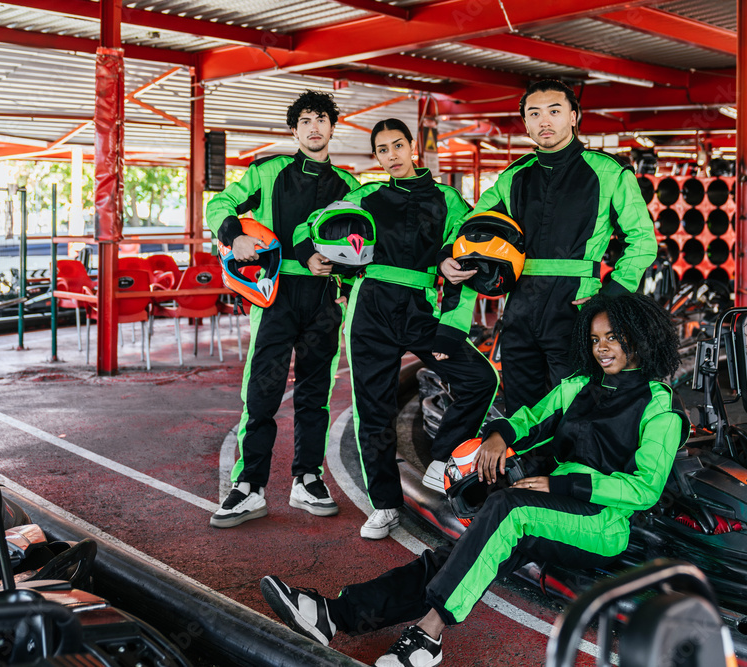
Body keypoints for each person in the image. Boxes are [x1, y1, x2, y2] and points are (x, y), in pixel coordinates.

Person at [260, 292, 685, 667]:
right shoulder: (579, 386)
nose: (601, 349)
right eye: (594, 340)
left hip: (602, 523)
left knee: (506, 509)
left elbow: (644, 490)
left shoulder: (660, 408)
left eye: (612, 337)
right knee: (458, 554)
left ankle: (428, 635)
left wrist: (561, 486)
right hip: (551, 506)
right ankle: (334, 615)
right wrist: (498, 435)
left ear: (638, 336)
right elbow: (532, 418)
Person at [311, 118, 498, 540]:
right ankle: (384, 505)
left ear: (413, 146)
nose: (391, 155)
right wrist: (317, 254)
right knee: (373, 411)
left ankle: (441, 458)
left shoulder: (448, 199)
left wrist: (453, 322)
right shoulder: (365, 195)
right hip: (369, 309)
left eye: (398, 146)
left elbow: (466, 258)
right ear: (375, 155)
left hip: (421, 309)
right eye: (382, 149)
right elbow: (316, 227)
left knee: (480, 378)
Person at [207, 90, 359, 529]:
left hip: (324, 301)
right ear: (294, 130)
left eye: (322, 120)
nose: (315, 127)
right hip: (274, 296)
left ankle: (307, 479)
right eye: (306, 121)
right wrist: (234, 236)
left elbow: (361, 246)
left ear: (333, 127)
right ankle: (249, 486)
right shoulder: (268, 171)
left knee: (316, 396)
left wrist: (339, 272)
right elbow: (219, 203)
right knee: (261, 395)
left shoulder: (350, 187)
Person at [464, 80, 657, 415]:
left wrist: (611, 295)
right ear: (525, 123)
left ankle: (570, 469)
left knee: (576, 406)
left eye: (554, 111)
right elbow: (472, 226)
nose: (544, 121)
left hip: (578, 309)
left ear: (573, 117)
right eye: (534, 114)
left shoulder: (609, 172)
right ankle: (528, 467)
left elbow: (642, 240)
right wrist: (448, 256)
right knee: (522, 408)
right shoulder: (514, 177)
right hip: (520, 310)